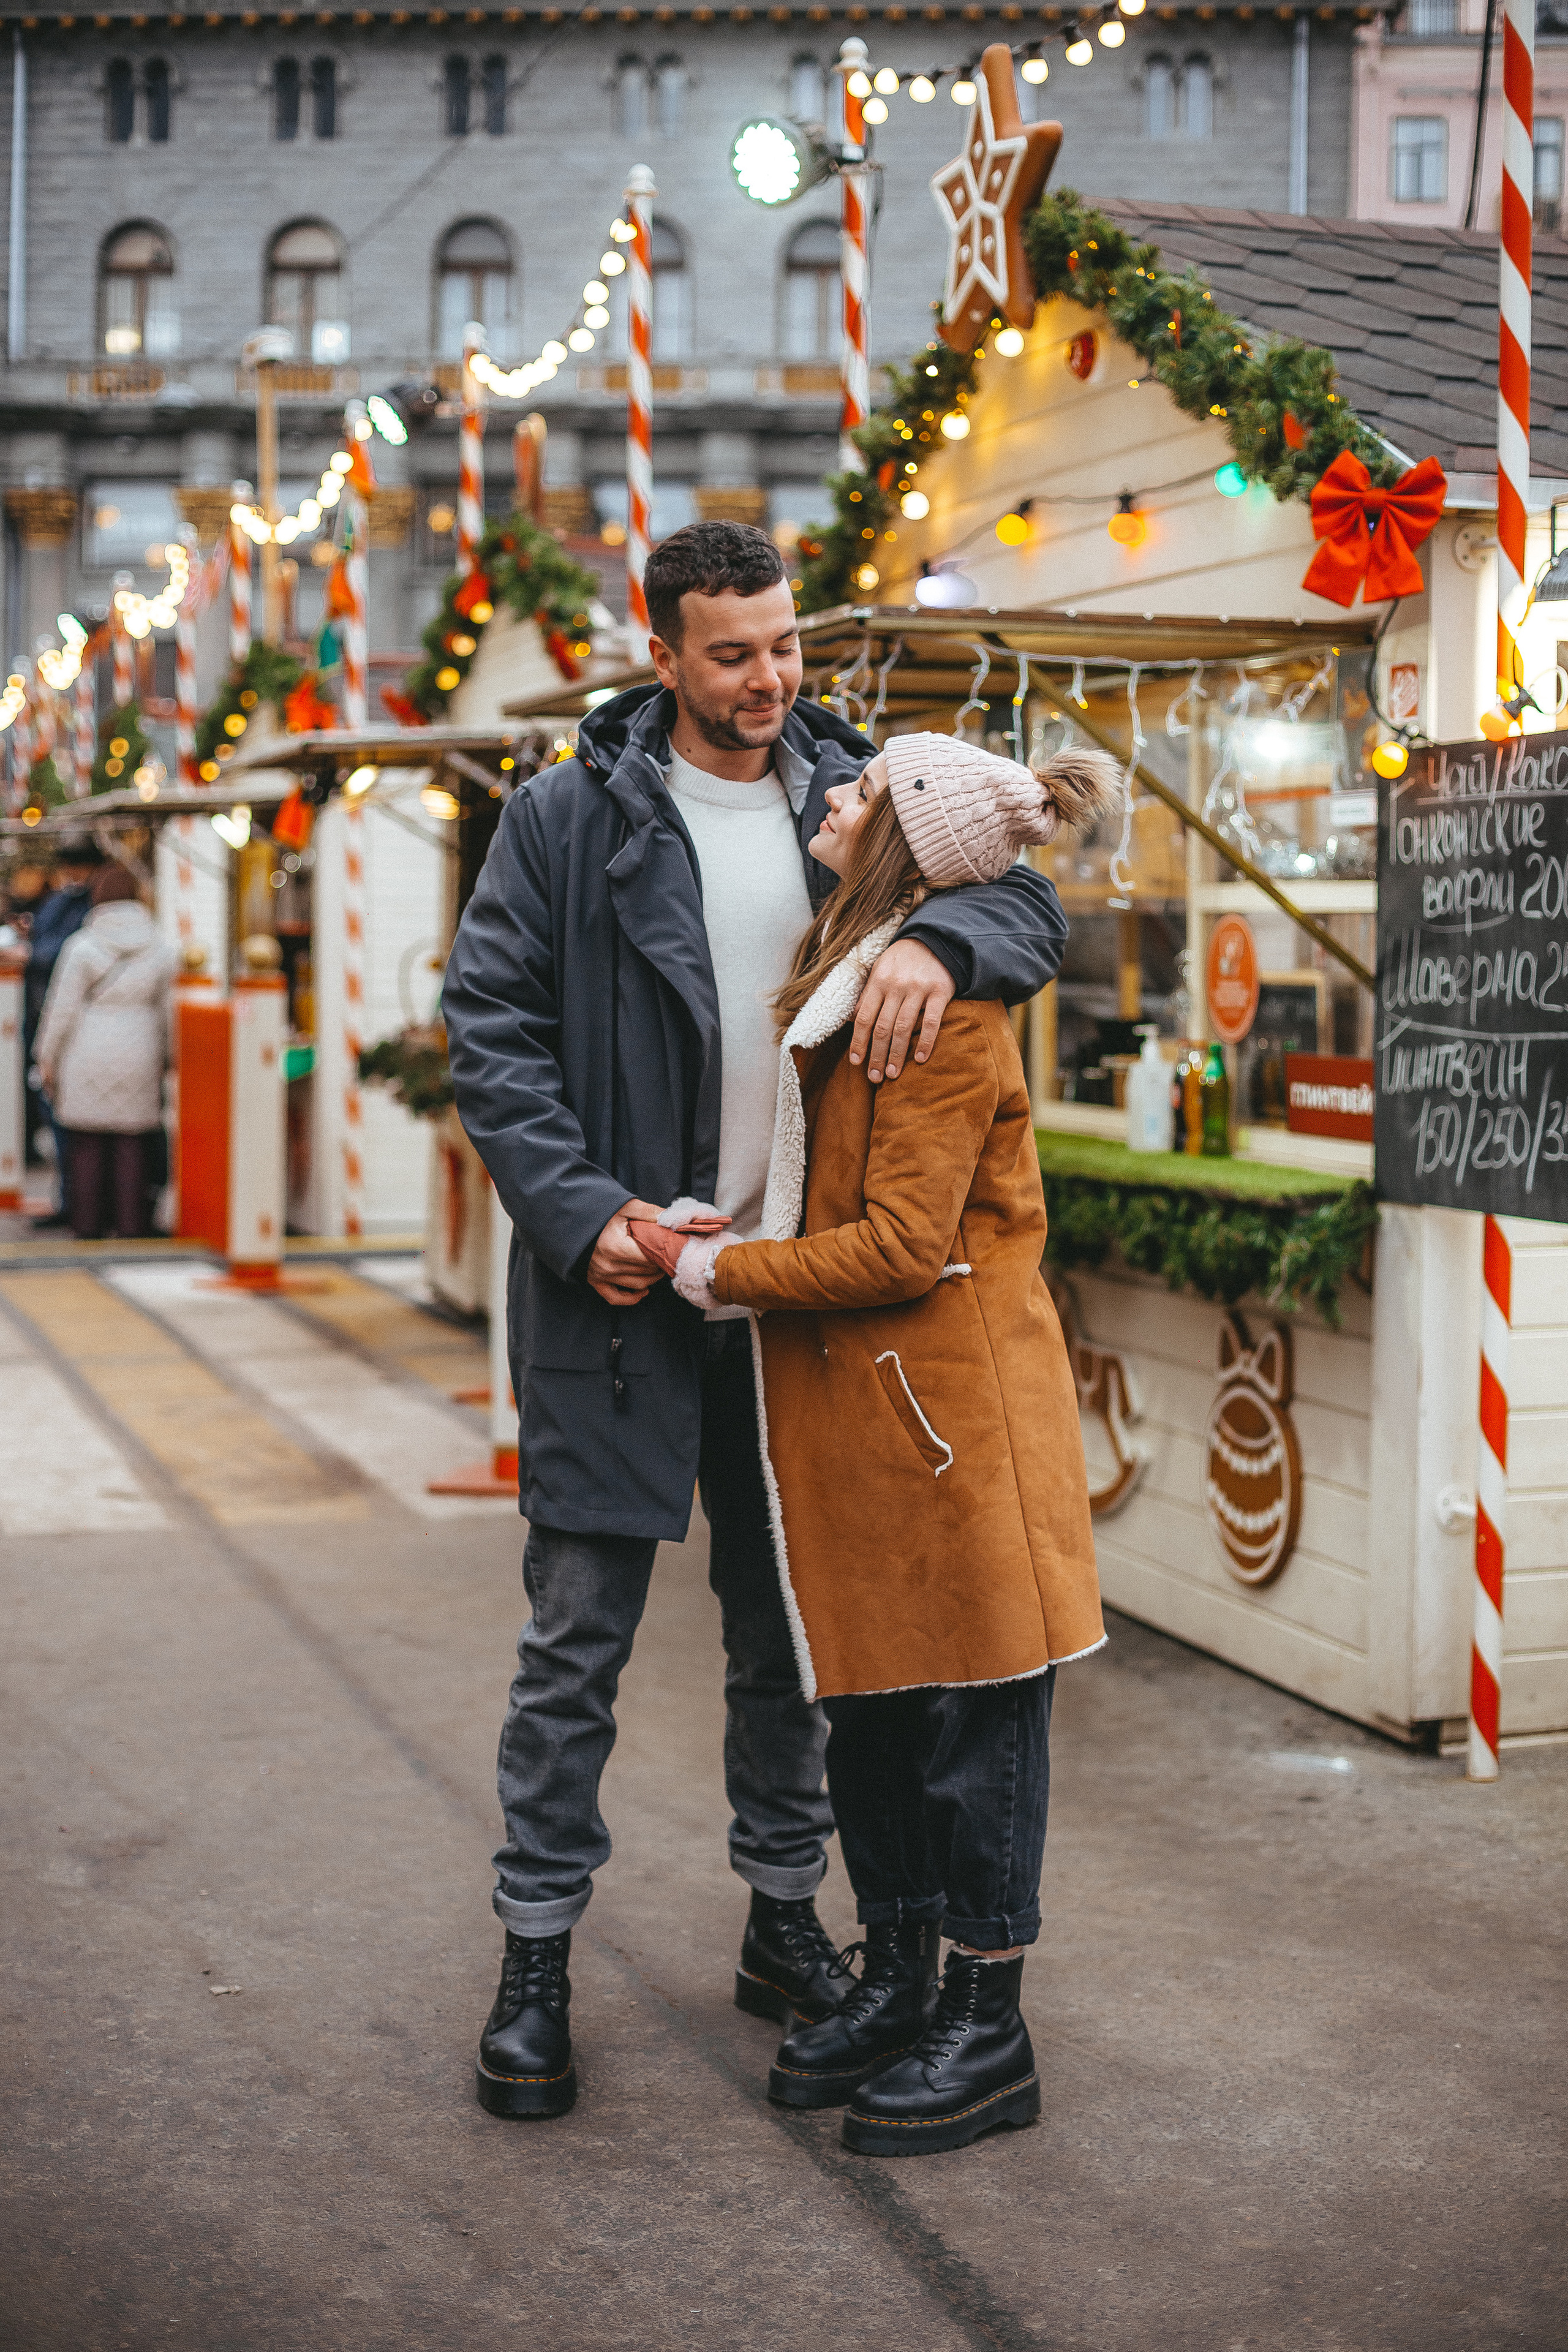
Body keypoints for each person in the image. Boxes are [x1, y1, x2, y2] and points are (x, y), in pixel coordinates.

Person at [442, 521, 1071, 2120]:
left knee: (792, 1641)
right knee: (576, 1640)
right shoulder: (569, 819)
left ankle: (788, 1920)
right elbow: (490, 1031)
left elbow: (1023, 894)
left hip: (798, 1299)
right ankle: (535, 1962)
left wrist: (943, 932)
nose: (769, 679)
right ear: (662, 656)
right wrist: (590, 1220)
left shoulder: (849, 783)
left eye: (785, 645)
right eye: (732, 653)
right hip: (626, 1292)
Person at [633, 732, 1113, 2157]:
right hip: (866, 1415)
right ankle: (899, 1975)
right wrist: (745, 1234)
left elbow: (904, 1243)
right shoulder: (859, 966)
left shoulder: (939, 1010)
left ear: (902, 840)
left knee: (977, 1714)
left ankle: (987, 2016)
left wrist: (732, 1277)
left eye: (858, 793)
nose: (828, 794)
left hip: (948, 1416)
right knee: (877, 1713)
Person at [34, 862, 176, 1242]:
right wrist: (169, 1058)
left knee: (86, 1142)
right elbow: (168, 1014)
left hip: (86, 1047)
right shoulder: (162, 948)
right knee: (133, 1142)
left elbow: (60, 1010)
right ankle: (132, 1226)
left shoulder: (82, 947)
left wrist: (46, 1057)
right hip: (140, 1047)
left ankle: (88, 1227)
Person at [25, 839, 104, 1227]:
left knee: (70, 1122)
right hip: (60, 1026)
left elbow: (49, 955)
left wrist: (32, 954)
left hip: (72, 1033)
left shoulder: (89, 917)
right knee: (64, 1120)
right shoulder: (66, 902)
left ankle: (80, 1207)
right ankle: (81, 1205)